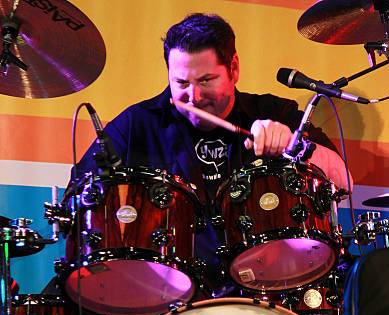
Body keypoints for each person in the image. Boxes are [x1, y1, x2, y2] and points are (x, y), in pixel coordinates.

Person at [72, 13, 350, 294]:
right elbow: (81, 195)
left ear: (234, 68)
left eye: (206, 80)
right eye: (181, 83)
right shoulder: (137, 125)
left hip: (271, 289)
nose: (194, 96)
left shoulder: (275, 112)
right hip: (166, 298)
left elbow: (344, 179)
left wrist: (295, 145)